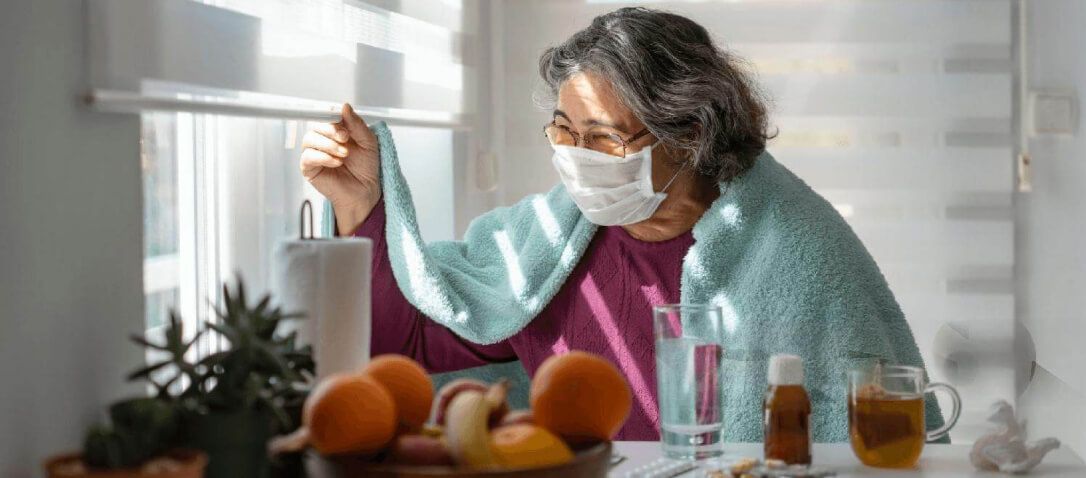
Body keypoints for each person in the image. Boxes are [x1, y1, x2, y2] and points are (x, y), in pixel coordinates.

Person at [298, 7, 937, 442]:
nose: (574, 159)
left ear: (689, 132)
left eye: (601, 137)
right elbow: (405, 347)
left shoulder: (799, 249)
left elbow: (873, 435)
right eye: (564, 131)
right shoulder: (542, 249)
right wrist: (361, 206)